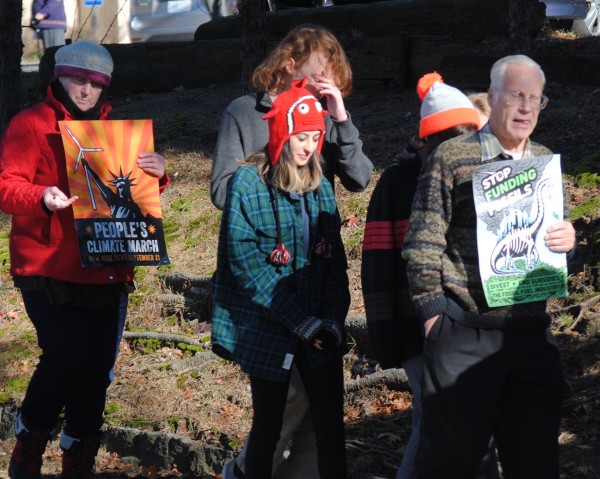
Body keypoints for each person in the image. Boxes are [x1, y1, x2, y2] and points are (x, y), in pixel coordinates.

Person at [401, 55, 576, 479]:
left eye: (536, 99)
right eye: (517, 95)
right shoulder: (452, 157)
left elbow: (552, 245)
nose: (526, 107)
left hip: (530, 333)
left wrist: (566, 242)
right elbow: (421, 243)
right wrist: (434, 319)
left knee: (535, 462)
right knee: (451, 462)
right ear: (492, 96)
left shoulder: (545, 161)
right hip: (463, 332)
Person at [0, 40, 169, 479]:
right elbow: (5, 185)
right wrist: (41, 196)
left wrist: (158, 173)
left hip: (107, 263)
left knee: (96, 371)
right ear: (59, 75)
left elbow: (129, 195)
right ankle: (30, 441)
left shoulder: (118, 130)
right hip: (46, 266)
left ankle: (79, 458)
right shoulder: (32, 123)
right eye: (78, 79)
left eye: (96, 83)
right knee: (65, 357)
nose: (85, 90)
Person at [211, 23, 372, 479]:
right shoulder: (243, 114)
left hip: (315, 296)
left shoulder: (321, 127)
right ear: (289, 64)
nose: (325, 86)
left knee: (321, 419)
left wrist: (336, 120)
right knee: (279, 412)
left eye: (332, 81)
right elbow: (227, 195)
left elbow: (358, 178)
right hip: (270, 294)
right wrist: (273, 168)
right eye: (320, 76)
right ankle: (245, 470)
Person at [361, 72, 488, 479]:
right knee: (432, 422)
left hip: (476, 322)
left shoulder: (482, 174)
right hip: (418, 328)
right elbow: (378, 268)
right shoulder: (398, 184)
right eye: (457, 141)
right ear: (432, 140)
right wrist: (391, 340)